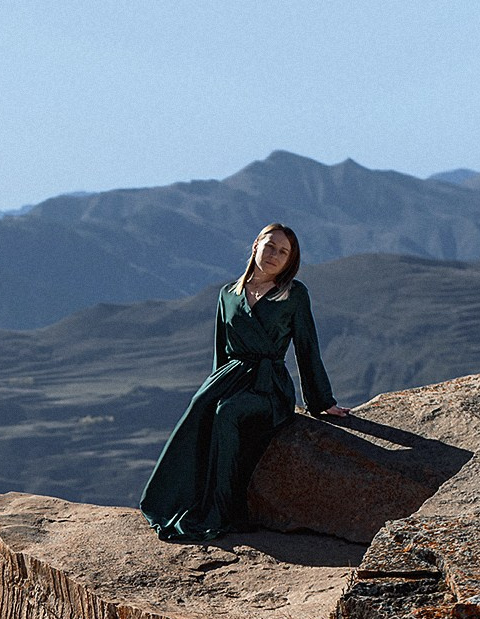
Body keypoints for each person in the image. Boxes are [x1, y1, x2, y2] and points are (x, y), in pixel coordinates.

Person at [139, 223, 349, 542]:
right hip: (230, 377)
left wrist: (322, 402)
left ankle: (226, 511)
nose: (274, 255)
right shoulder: (228, 294)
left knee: (229, 413)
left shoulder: (294, 294)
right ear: (255, 246)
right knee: (202, 411)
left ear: (290, 260)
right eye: (270, 246)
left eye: (283, 252)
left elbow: (307, 347)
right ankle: (182, 499)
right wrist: (210, 391)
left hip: (270, 385)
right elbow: (221, 350)